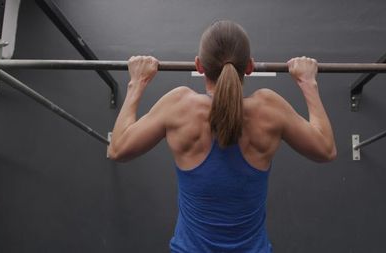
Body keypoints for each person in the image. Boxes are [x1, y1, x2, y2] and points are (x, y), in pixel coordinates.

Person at [108, 20, 336, 253]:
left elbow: (117, 149)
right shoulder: (269, 109)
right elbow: (326, 149)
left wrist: (137, 83)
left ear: (199, 66)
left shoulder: (178, 106)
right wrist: (308, 82)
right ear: (249, 67)